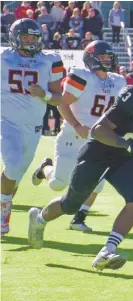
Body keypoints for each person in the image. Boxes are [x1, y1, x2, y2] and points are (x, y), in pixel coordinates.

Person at [27, 57, 133, 272]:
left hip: (126, 158)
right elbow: (98, 130)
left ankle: (107, 251)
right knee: (71, 204)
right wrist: (128, 145)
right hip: (99, 151)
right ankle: (39, 218)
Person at [31, 40, 127, 232]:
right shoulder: (81, 76)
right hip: (72, 136)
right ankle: (45, 168)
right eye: (103, 56)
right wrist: (76, 125)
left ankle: (79, 217)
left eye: (109, 56)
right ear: (91, 58)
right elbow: (61, 103)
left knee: (97, 183)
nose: (107, 60)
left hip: (97, 140)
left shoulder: (118, 80)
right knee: (58, 185)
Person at [1, 18, 64, 236]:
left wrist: (44, 94)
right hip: (6, 122)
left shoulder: (50, 61)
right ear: (15, 38)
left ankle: (3, 207)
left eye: (34, 37)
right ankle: (2, 216)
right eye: (26, 37)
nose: (30, 42)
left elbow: (58, 98)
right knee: (13, 166)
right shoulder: (3, 57)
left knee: (15, 175)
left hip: (34, 127)